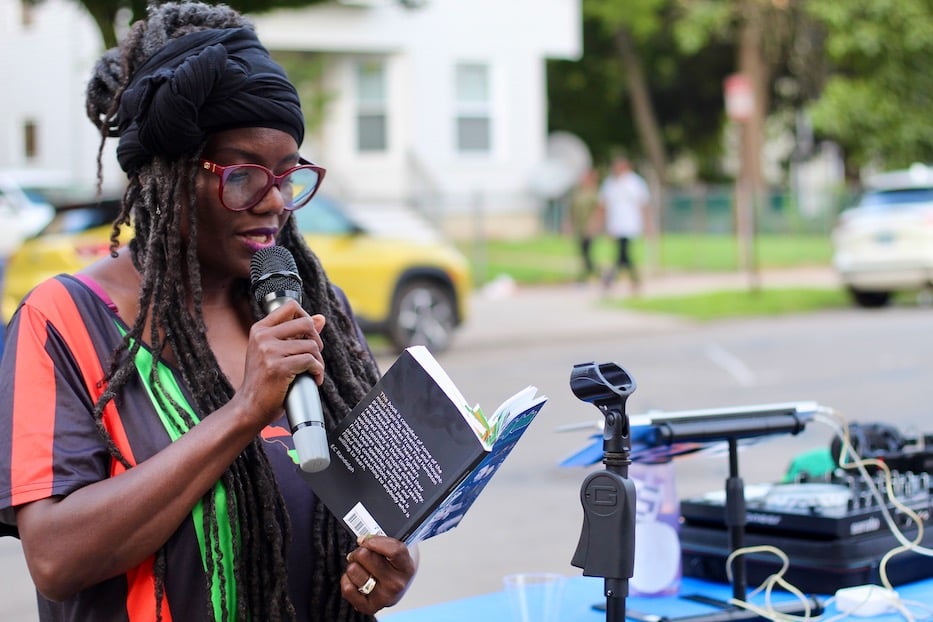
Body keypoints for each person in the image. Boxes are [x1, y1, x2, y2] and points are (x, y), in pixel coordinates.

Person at [0, 2, 417, 621]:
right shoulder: (62, 321)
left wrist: (379, 572)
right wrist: (245, 411)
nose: (275, 201)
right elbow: (57, 559)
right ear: (165, 178)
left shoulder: (314, 310)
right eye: (245, 174)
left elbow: (363, 512)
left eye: (288, 174)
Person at [598, 154, 651, 294]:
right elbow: (604, 205)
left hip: (631, 224)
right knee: (622, 254)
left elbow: (643, 204)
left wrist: (647, 224)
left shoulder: (635, 183)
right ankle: (634, 279)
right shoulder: (609, 183)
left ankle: (610, 278)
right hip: (615, 224)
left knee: (623, 252)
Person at [566, 167, 602, 282]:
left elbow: (598, 211)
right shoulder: (579, 193)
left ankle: (590, 274)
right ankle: (589, 273)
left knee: (587, 252)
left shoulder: (594, 193)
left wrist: (593, 225)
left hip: (589, 228)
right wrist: (569, 223)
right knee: (582, 253)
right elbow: (573, 210)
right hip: (579, 227)